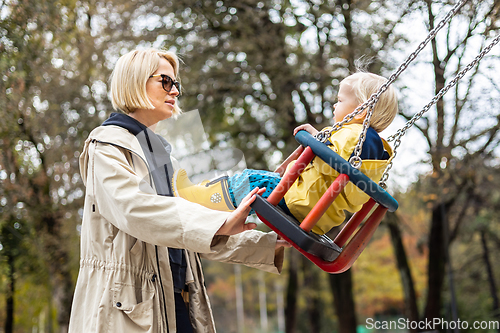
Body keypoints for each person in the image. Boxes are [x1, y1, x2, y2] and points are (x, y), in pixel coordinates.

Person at [68, 48, 289, 333]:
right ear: (135, 81)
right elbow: (135, 209)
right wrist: (219, 222)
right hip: (123, 309)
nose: (174, 91)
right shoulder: (106, 147)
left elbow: (191, 233)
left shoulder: (164, 157)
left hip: (174, 301)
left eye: (176, 84)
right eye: (165, 81)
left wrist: (271, 243)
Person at [173, 72, 398, 235]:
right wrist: (320, 137)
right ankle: (207, 197)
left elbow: (331, 162)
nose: (333, 105)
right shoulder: (373, 146)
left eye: (340, 101)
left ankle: (197, 198)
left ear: (363, 110)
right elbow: (340, 160)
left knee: (249, 180)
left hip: (299, 201)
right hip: (316, 212)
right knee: (253, 186)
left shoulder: (354, 134)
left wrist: (316, 142)